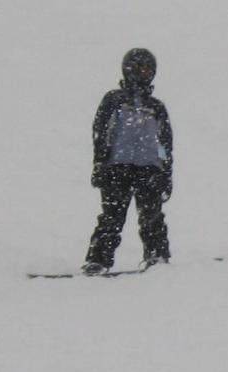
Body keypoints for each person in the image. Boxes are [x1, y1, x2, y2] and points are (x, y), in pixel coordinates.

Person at [82, 48, 173, 275]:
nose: (144, 74)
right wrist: (100, 164)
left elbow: (165, 144)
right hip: (116, 167)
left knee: (152, 217)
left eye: (148, 69)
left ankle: (157, 256)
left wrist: (165, 173)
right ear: (128, 70)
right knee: (112, 216)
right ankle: (98, 260)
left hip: (149, 169)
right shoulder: (114, 99)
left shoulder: (156, 107)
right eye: (139, 68)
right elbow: (101, 134)